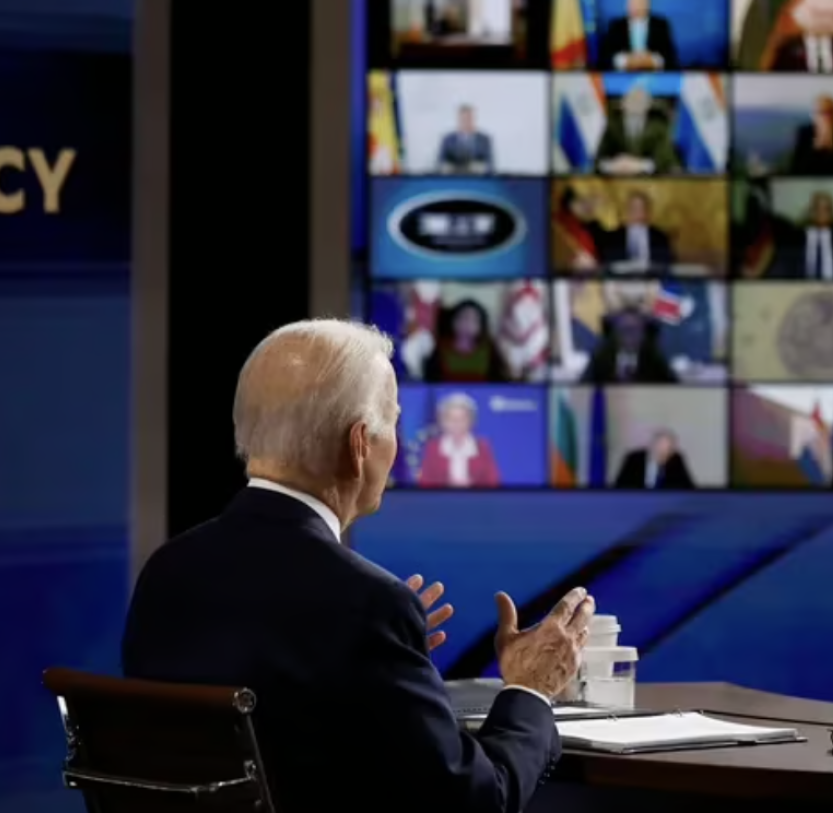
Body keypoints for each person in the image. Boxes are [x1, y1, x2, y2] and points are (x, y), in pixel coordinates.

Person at [123, 319, 594, 813]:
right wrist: (530, 690)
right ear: (359, 445)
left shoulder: (167, 572)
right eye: (392, 420)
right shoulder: (366, 605)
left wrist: (382, 660)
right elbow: (473, 802)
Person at [416, 392, 503, 488]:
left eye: (462, 419)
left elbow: (493, 482)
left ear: (471, 421)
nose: (456, 424)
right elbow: (425, 483)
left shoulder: (482, 447)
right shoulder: (432, 448)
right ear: (443, 422)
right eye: (451, 419)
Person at [595, 85, 681, 175]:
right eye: (632, 100)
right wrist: (613, 165)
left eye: (640, 101)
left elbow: (665, 160)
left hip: (650, 182)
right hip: (615, 180)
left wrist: (640, 165)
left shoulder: (659, 127)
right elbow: (599, 161)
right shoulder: (611, 126)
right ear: (623, 104)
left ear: (648, 105)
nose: (635, 104)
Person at [422, 300, 513, 383]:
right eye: (463, 318)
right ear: (453, 322)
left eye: (473, 320)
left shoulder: (489, 349)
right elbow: (430, 381)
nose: (467, 323)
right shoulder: (440, 348)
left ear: (481, 326)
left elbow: (499, 382)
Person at [597, 0, 679, 71]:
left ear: (648, 3)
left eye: (638, 1)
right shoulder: (615, 25)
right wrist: (625, 61)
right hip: (623, 78)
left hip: (654, 78)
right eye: (631, 0)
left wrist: (653, 60)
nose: (633, 4)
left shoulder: (661, 25)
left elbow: (670, 58)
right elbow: (605, 58)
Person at [581, 309, 678, 383]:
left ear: (644, 334)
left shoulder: (654, 357)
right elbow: (582, 389)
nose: (630, 336)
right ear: (615, 334)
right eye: (625, 330)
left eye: (634, 330)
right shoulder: (602, 357)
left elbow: (675, 389)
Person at [788, 95, 833, 176]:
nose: (827, 117)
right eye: (822, 112)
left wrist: (832, 147)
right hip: (810, 181)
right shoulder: (804, 133)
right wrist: (816, 147)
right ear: (813, 115)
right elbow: (796, 169)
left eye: (831, 112)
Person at [613, 428, 695, 488]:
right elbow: (620, 487)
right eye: (659, 452)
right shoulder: (633, 459)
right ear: (651, 446)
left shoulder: (677, 460)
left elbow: (689, 488)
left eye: (667, 452)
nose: (663, 457)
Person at [437, 104, 494, 174]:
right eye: (463, 119)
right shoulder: (447, 140)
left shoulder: (484, 140)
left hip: (477, 181)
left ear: (473, 119)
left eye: (469, 118)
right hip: (454, 181)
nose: (466, 122)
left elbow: (490, 167)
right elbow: (440, 165)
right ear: (458, 120)